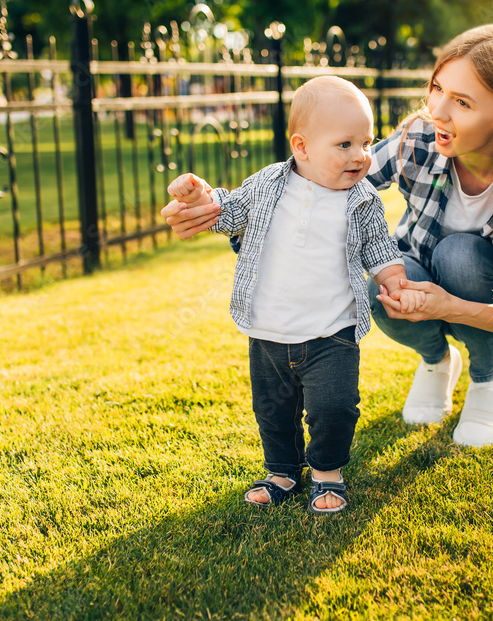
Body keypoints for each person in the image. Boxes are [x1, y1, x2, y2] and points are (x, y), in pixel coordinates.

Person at [163, 25, 493, 450]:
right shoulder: (419, 136)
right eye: (437, 88)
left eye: (461, 102)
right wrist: (221, 210)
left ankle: (484, 380)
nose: (437, 111)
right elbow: (322, 172)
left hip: (481, 294)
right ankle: (438, 361)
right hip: (419, 271)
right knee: (375, 287)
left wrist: (450, 307)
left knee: (461, 254)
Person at [161, 75, 426, 513]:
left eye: (366, 142)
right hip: (269, 329)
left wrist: (395, 281)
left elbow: (380, 247)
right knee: (273, 410)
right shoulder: (269, 183)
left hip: (332, 332)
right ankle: (282, 470)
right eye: (345, 144)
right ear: (301, 147)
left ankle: (327, 474)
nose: (361, 155)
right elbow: (228, 210)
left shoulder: (361, 199)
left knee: (336, 407)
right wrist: (199, 198)